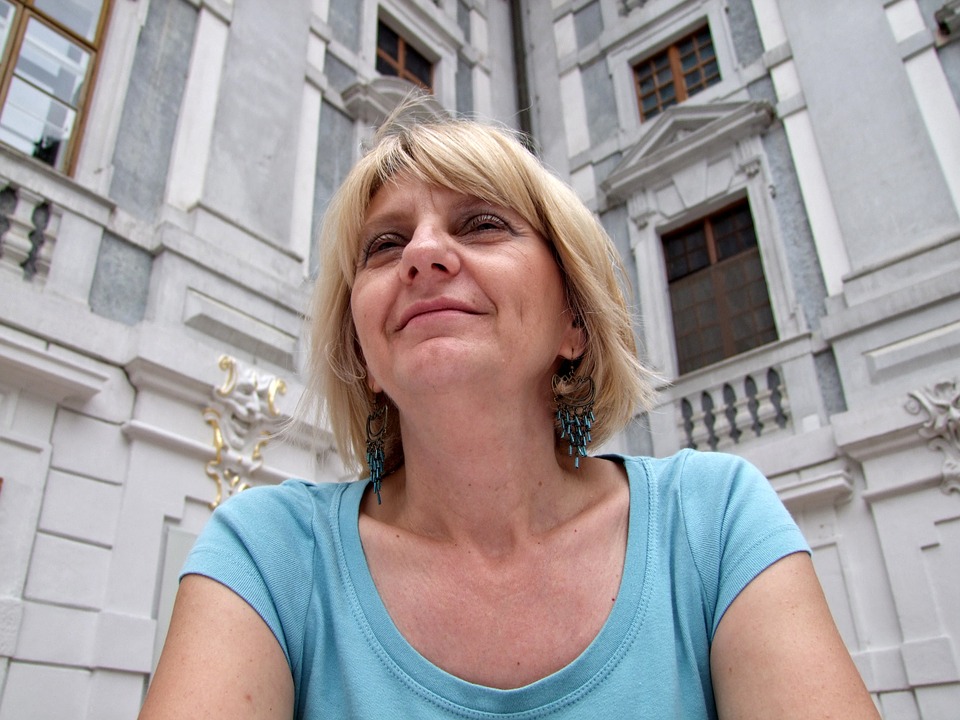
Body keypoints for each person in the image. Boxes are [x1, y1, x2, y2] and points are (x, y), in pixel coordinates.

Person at [139, 98, 879, 719]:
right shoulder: (265, 553)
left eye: (482, 225)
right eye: (385, 244)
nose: (422, 255)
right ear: (362, 353)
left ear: (574, 320)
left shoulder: (714, 521)